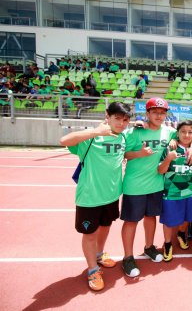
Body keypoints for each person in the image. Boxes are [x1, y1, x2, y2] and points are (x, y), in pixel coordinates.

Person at [59, 102, 132, 291]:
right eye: (117, 119)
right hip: (89, 197)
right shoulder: (90, 139)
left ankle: (99, 254)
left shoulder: (123, 136)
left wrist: (140, 124)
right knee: (89, 234)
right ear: (107, 116)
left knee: (105, 226)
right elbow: (64, 140)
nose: (122, 124)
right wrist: (96, 132)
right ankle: (92, 270)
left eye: (125, 120)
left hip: (112, 195)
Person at [120, 98, 176, 277]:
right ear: (147, 114)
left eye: (162, 112)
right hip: (134, 185)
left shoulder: (168, 132)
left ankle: (149, 247)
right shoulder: (136, 132)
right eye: (155, 112)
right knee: (131, 221)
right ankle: (128, 257)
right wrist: (139, 153)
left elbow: (186, 134)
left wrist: (190, 144)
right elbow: (124, 153)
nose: (159, 116)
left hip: (156, 183)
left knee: (151, 217)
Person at [158, 120, 192, 262]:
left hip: (189, 192)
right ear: (177, 133)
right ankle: (167, 243)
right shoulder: (170, 148)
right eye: (183, 132)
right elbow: (160, 170)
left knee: (187, 218)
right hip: (171, 193)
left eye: (190, 132)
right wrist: (168, 159)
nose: (186, 135)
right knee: (169, 221)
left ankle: (181, 234)